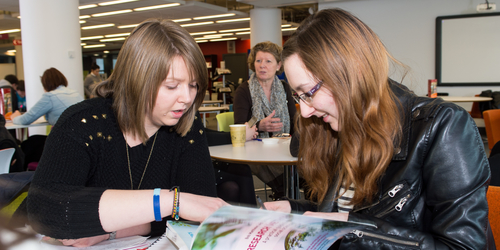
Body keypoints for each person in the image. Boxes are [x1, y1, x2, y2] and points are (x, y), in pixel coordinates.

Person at [265, 8, 492, 249]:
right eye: (298, 96)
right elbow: (352, 210)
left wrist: (352, 228)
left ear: (354, 73)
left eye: (309, 93)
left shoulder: (442, 127)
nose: (305, 111)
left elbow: (462, 246)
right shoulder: (343, 124)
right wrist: (295, 210)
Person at [26, 19, 227, 247]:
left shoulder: (187, 128)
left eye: (194, 85)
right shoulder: (83, 123)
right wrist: (169, 201)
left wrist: (109, 231)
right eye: (172, 86)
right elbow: (45, 212)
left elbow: (199, 212)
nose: (188, 98)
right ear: (137, 79)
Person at [233, 41, 297, 200]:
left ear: (278, 65)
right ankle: (285, 192)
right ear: (253, 64)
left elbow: (294, 120)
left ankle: (290, 192)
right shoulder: (244, 90)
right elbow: (240, 126)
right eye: (258, 61)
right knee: (265, 164)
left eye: (268, 61)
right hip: (255, 147)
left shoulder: (284, 88)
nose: (262, 65)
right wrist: (259, 125)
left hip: (284, 144)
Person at [205, 124, 258, 206]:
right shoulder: (184, 114)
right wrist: (237, 136)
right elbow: (201, 137)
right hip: (191, 172)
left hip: (199, 166)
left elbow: (202, 131)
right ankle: (252, 216)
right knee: (242, 171)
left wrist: (237, 134)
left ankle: (246, 216)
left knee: (231, 187)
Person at [10, 68, 83, 126]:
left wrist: (14, 117)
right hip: (84, 135)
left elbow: (25, 119)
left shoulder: (50, 96)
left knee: (31, 141)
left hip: (68, 137)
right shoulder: (75, 93)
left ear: (45, 84)